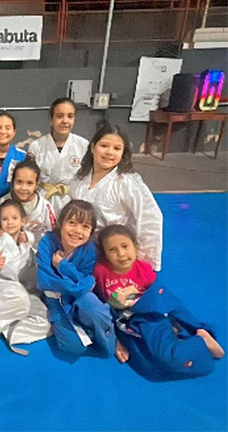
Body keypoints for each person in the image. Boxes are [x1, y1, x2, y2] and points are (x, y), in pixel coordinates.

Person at [94, 225, 224, 380]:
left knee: (167, 357)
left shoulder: (143, 270)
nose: (121, 254)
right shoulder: (101, 271)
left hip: (149, 316)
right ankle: (191, 340)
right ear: (105, 255)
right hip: (128, 321)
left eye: (125, 246)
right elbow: (100, 301)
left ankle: (201, 341)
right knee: (148, 366)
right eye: (112, 250)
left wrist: (169, 318)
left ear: (135, 248)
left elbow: (161, 298)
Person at [70, 122, 163, 271]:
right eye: (104, 146)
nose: (109, 152)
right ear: (93, 147)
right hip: (81, 247)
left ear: (123, 153)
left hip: (114, 253)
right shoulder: (80, 177)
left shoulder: (127, 181)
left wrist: (146, 262)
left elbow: (151, 218)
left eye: (117, 148)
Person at [0, 200, 50, 354]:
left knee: (45, 317)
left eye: (14, 218)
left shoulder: (28, 242)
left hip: (22, 291)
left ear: (23, 221)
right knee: (20, 297)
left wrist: (29, 241)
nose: (10, 222)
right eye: (5, 219)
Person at [37, 200, 115, 357]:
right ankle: (82, 326)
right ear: (61, 223)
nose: (77, 231)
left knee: (93, 306)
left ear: (91, 231)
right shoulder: (48, 242)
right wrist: (81, 287)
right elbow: (45, 280)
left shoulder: (90, 249)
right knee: (73, 346)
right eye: (72, 223)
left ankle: (107, 335)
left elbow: (88, 279)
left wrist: (63, 266)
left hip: (80, 296)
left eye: (85, 226)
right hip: (56, 299)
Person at [28, 98, 89, 215]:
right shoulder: (36, 146)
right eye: (59, 116)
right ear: (51, 119)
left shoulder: (83, 145)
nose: (65, 121)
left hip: (72, 200)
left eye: (70, 116)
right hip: (43, 200)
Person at [0, 157, 56, 247]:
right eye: (19, 182)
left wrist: (30, 238)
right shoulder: (2, 203)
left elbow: (52, 237)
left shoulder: (45, 208)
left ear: (37, 184)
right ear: (12, 181)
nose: (23, 188)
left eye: (29, 183)